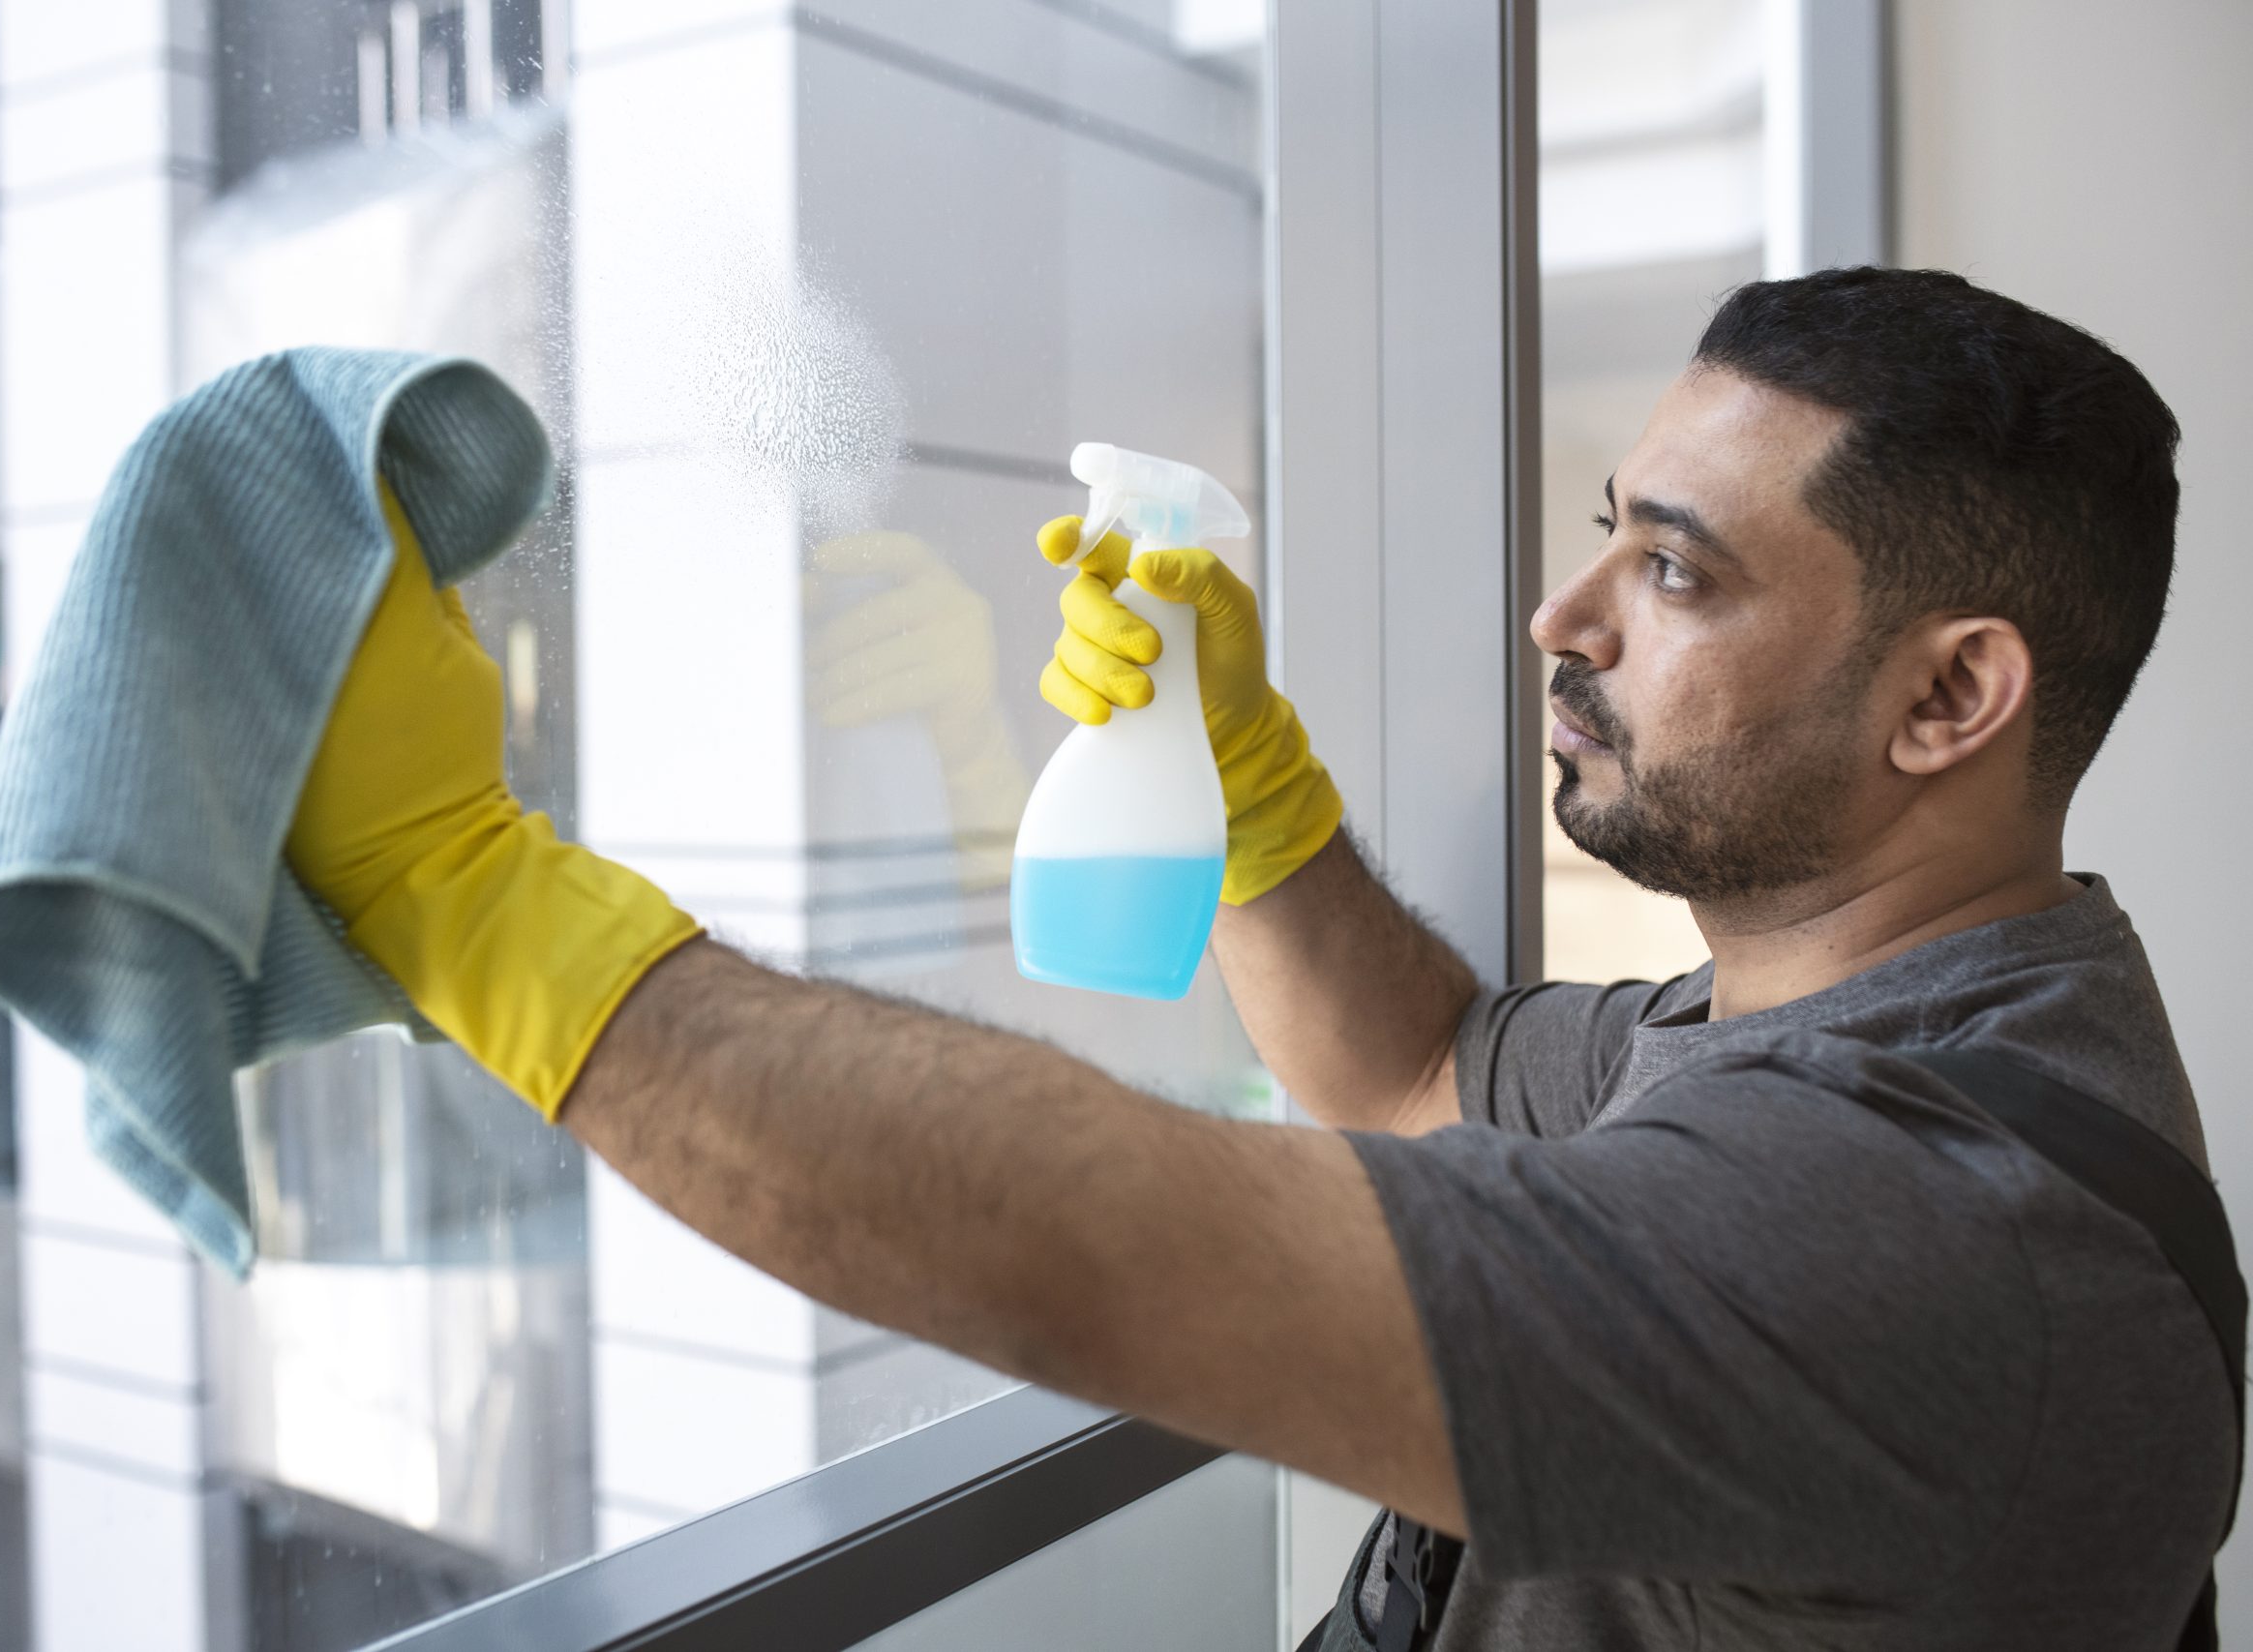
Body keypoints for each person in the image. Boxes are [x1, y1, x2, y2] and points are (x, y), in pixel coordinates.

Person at [283, 266, 2228, 1649]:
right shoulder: (1852, 1023)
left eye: (1673, 569)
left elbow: (1094, 1243)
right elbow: (1411, 1064)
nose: (1561, 613)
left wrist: (467, 887)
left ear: (1948, 693)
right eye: (1601, 531)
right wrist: (1244, 781)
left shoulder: (1930, 1224)